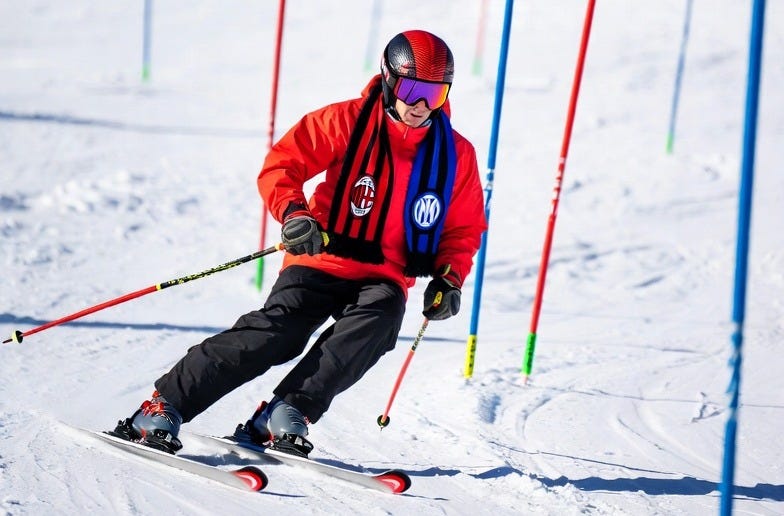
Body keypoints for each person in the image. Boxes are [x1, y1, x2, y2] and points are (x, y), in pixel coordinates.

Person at [111, 29, 487, 457]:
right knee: (280, 332)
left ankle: (286, 411)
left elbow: (463, 227)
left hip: (385, 274)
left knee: (379, 321)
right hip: (321, 255)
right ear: (388, 78)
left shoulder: (456, 154)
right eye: (412, 89)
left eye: (434, 95)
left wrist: (449, 279)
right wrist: (294, 214)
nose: (420, 106)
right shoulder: (346, 120)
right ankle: (163, 406)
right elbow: (283, 164)